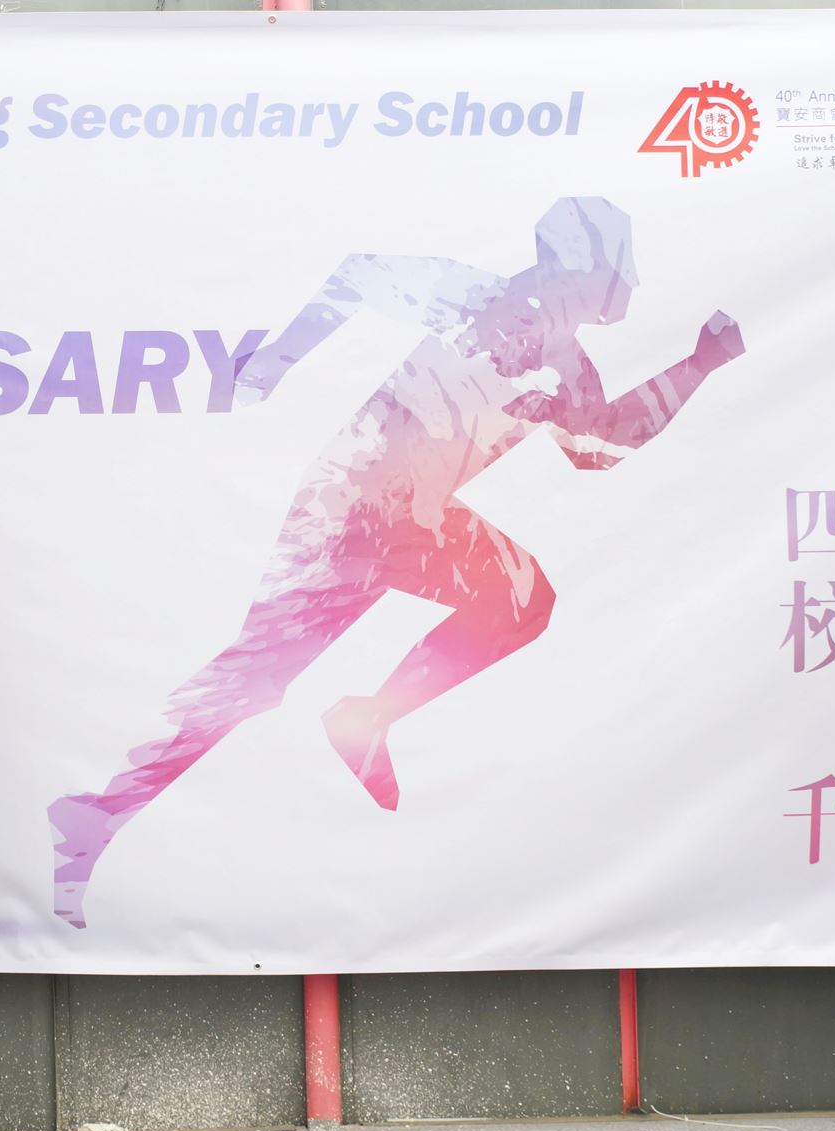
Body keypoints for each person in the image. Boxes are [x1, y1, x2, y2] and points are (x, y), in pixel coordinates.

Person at [47, 197, 745, 929]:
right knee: (254, 676)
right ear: (578, 267)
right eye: (610, 278)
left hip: (409, 517)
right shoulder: (480, 300)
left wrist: (697, 365)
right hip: (353, 508)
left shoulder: (563, 362)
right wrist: (277, 361)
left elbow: (599, 447)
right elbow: (360, 275)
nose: (619, 293)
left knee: (518, 597)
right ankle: (103, 812)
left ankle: (361, 720)